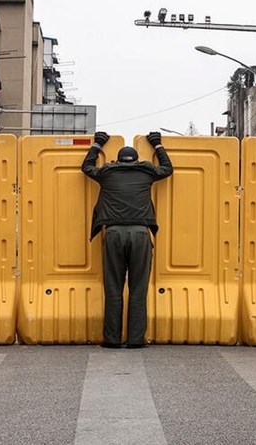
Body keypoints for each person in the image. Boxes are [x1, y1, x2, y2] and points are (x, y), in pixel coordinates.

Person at [81, 131, 173, 349]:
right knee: (138, 289)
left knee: (113, 287)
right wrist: (157, 145)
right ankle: (135, 340)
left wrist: (98, 144)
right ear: (137, 160)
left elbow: (86, 167)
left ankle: (112, 340)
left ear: (118, 160)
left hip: (113, 233)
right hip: (140, 233)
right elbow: (168, 169)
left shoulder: (107, 172)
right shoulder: (147, 171)